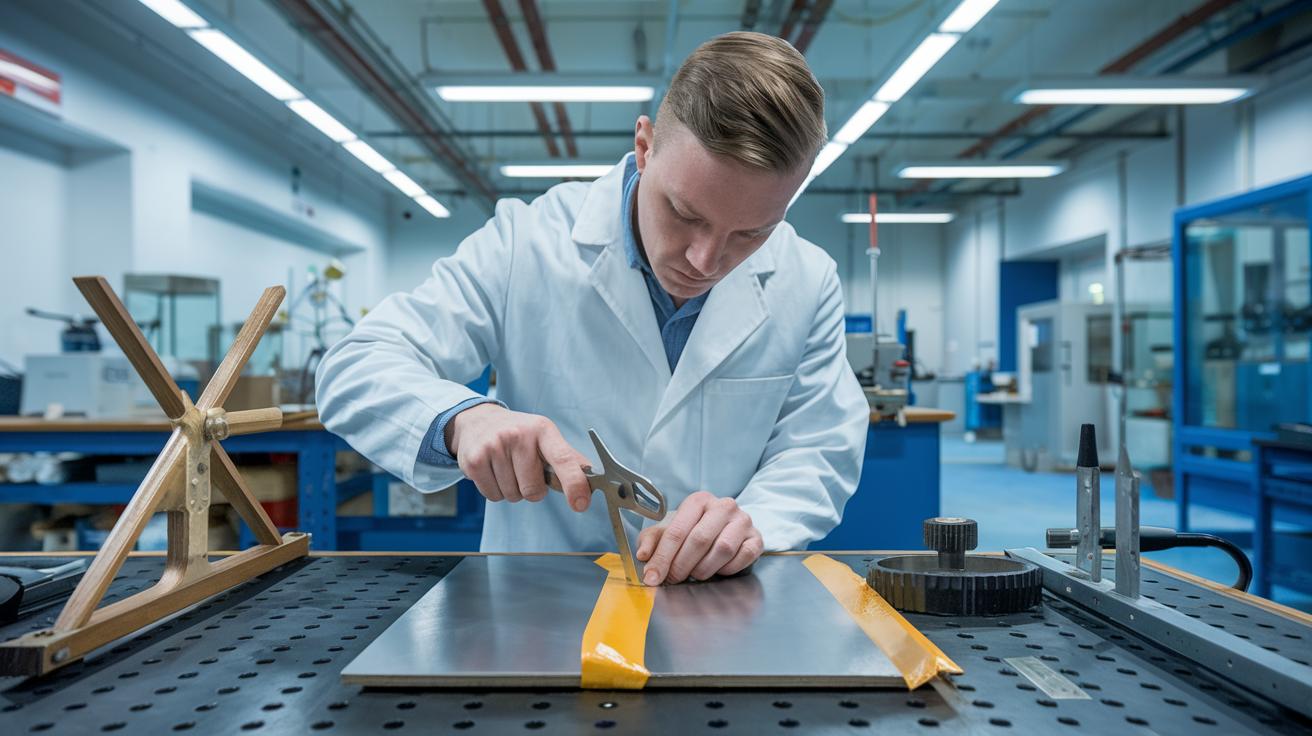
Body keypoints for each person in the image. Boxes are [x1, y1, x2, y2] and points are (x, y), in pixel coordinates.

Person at [316, 31, 868, 586]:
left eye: (751, 232)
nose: (706, 261)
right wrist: (463, 420)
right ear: (645, 146)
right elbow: (355, 366)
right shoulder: (524, 243)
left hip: (713, 606)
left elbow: (820, 446)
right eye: (684, 212)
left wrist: (754, 525)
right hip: (539, 598)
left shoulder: (808, 278)